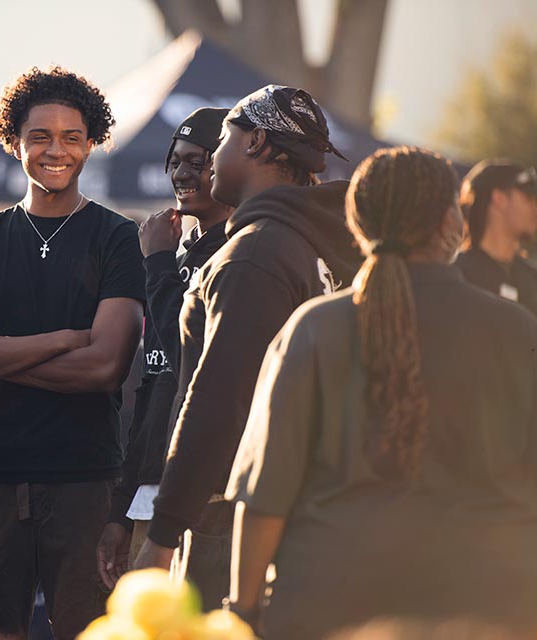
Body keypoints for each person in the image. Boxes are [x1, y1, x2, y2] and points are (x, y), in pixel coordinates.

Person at [226, 146, 537, 639]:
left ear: (358, 222)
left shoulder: (315, 328)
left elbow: (265, 495)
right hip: (487, 605)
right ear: (450, 222)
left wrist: (241, 610)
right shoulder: (519, 332)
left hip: (328, 604)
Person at [0, 66, 145, 640]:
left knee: (91, 631)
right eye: (40, 137)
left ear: (91, 142)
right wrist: (60, 340)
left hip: (85, 477)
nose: (56, 150)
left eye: (72, 137)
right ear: (15, 142)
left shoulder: (115, 236)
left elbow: (105, 366)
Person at [135, 85, 361, 581]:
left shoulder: (256, 255)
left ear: (255, 142)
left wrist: (163, 533)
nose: (213, 160)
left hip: (232, 515)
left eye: (221, 142)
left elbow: (218, 400)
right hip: (307, 502)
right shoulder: (319, 244)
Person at [98, 108, 233, 604]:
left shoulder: (238, 255)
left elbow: (190, 359)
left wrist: (155, 264)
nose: (182, 174)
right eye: (175, 161)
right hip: (149, 495)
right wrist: (120, 508)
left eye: (198, 162)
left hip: (208, 502)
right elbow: (153, 386)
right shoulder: (179, 250)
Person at [454, 160, 537, 316]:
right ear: (499, 198)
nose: (535, 208)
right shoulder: (457, 276)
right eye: (528, 198)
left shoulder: (532, 280)